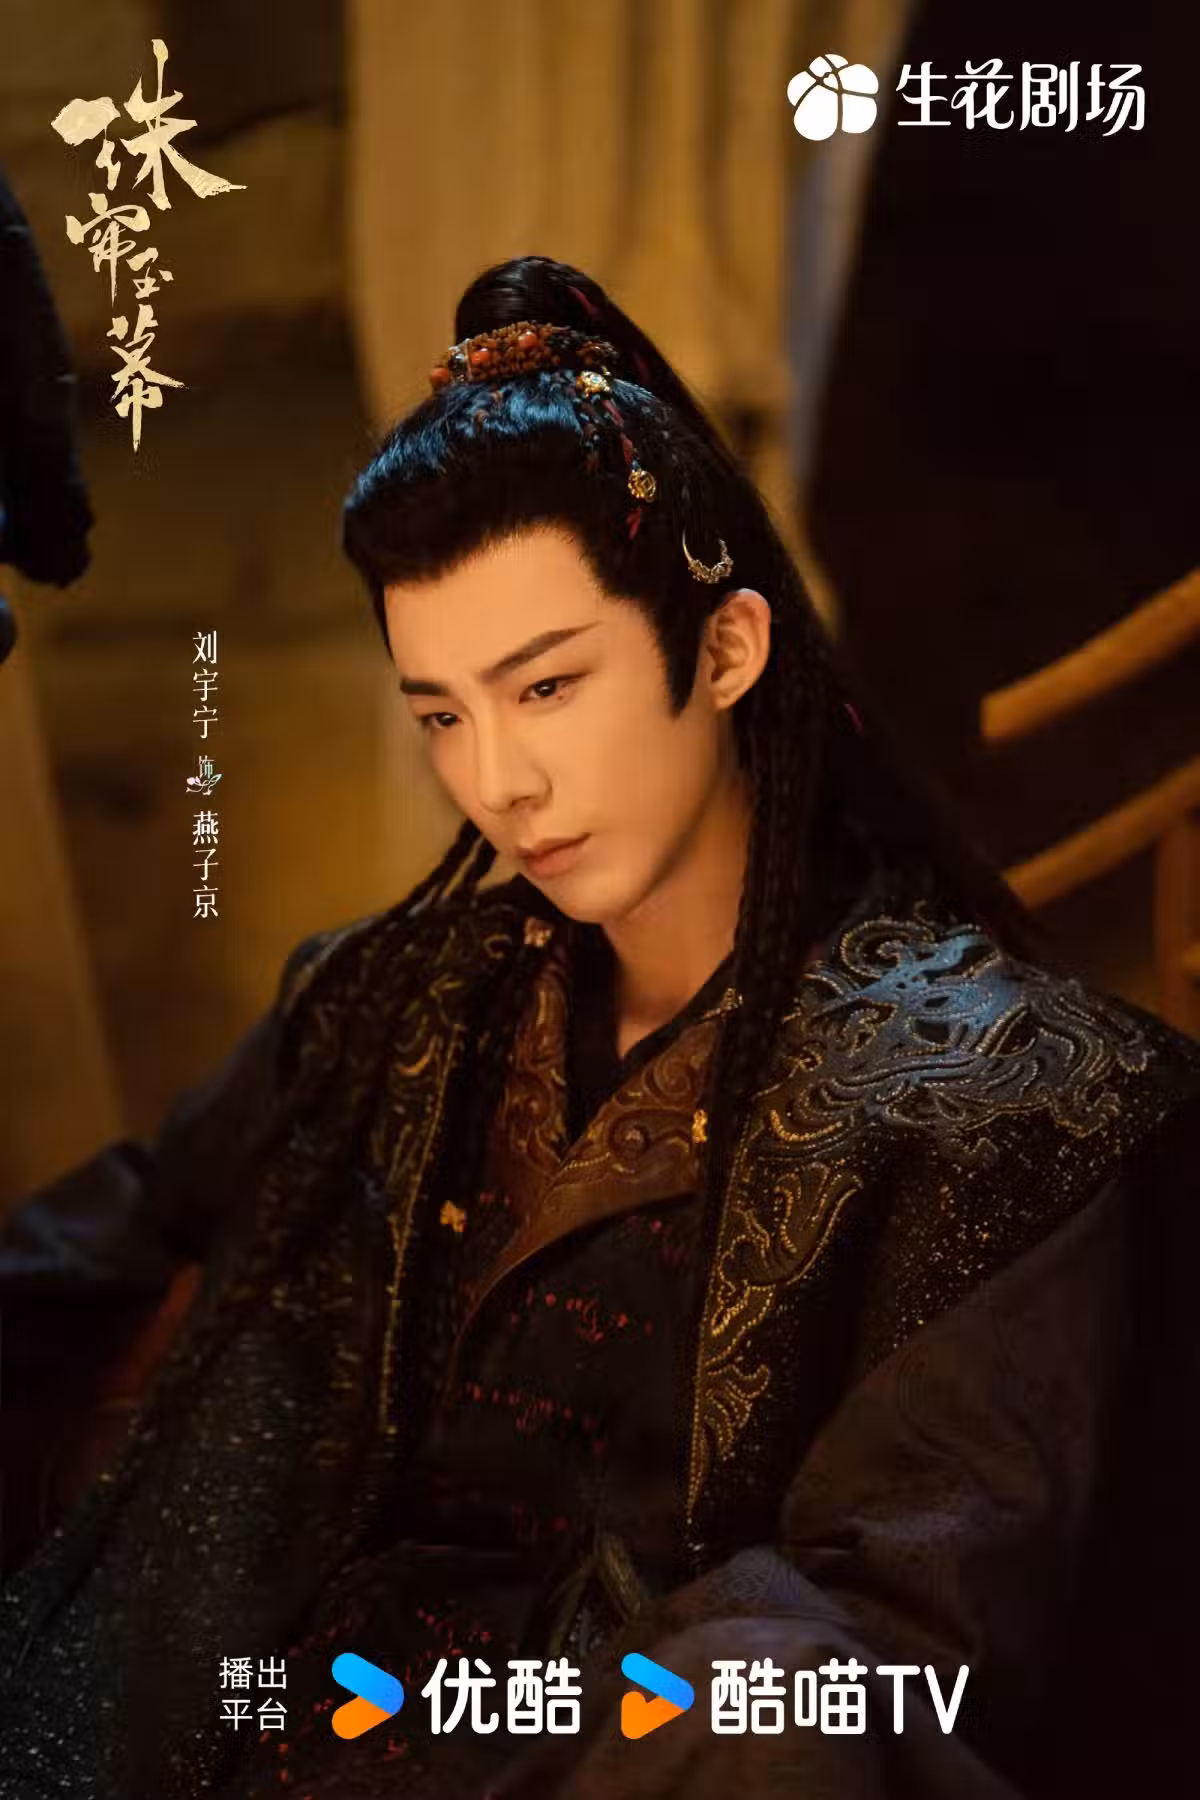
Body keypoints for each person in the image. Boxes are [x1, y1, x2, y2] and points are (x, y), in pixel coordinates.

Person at [1, 256, 1198, 1800]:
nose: (499, 783)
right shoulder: (404, 998)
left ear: (726, 649)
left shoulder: (997, 1097)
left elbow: (898, 1636)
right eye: (443, 715)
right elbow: (127, 1218)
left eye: (549, 686)